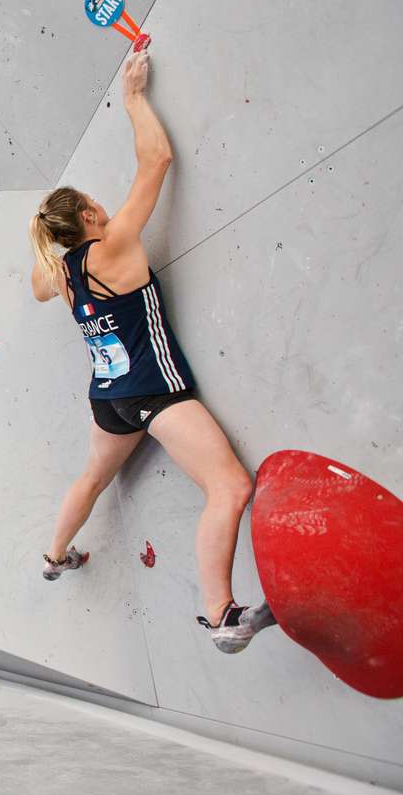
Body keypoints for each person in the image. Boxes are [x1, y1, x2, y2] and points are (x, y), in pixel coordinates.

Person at [28, 48, 273, 654]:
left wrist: (51, 244)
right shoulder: (111, 247)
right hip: (156, 392)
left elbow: (37, 280)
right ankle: (220, 614)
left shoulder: (62, 273)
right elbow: (158, 160)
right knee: (230, 487)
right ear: (89, 214)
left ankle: (55, 557)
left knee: (90, 478)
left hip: (110, 399)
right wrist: (134, 97)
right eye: (94, 205)